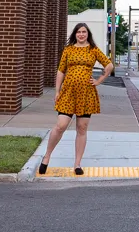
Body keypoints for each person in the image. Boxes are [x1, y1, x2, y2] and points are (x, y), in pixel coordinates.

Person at [39, 23, 114, 176]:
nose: (81, 34)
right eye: (78, 32)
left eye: (84, 32)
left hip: (86, 94)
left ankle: (77, 164)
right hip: (68, 93)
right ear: (75, 34)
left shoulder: (93, 50)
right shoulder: (68, 50)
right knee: (61, 125)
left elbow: (109, 65)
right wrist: (57, 91)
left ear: (88, 34)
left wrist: (99, 80)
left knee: (82, 128)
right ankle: (46, 156)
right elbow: (61, 71)